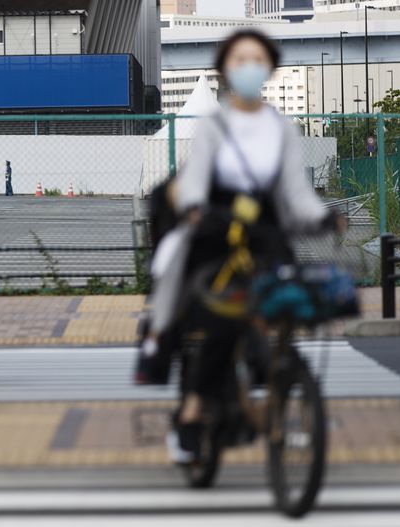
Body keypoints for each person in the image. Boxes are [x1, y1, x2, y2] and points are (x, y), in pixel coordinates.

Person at [137, 30, 343, 457]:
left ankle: (276, 374)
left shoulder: (281, 128)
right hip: (217, 232)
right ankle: (192, 412)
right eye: (239, 60)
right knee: (219, 315)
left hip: (265, 234)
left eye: (256, 59)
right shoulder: (214, 126)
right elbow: (194, 181)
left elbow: (296, 192)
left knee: (286, 302)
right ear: (226, 70)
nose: (249, 67)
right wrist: (196, 209)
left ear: (268, 68)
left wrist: (324, 216)